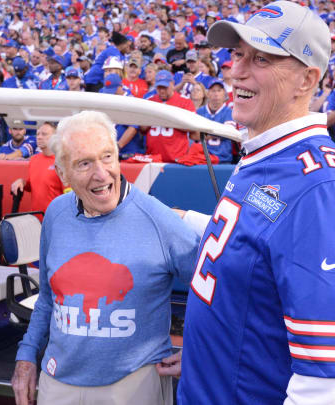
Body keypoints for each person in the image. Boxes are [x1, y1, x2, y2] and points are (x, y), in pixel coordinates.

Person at [171, 3, 335, 404]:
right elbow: (252, 248)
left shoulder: (324, 190)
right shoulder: (267, 151)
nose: (237, 71)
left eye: (262, 58)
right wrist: (210, 355)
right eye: (237, 55)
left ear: (307, 79)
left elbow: (324, 384)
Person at [11, 110, 199, 405]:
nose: (102, 174)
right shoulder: (57, 214)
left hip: (133, 384)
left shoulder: (159, 220)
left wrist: (199, 350)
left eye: (108, 157)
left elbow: (221, 292)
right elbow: (48, 298)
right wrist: (26, 354)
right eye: (84, 163)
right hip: (56, 382)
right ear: (63, 174)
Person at [10, 122, 65, 213]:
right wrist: (22, 182)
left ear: (55, 137)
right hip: (36, 219)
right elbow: (35, 184)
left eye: (44, 134)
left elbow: (70, 197)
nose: (39, 137)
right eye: (38, 134)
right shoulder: (34, 159)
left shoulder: (63, 161)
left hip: (56, 220)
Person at [145, 70, 196, 162]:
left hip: (176, 157)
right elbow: (142, 128)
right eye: (159, 88)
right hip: (153, 157)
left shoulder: (185, 101)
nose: (162, 91)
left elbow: (192, 127)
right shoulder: (149, 101)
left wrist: (168, 119)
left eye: (165, 87)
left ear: (172, 84)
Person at [196, 79, 237, 163]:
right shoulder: (199, 111)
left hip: (222, 159)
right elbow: (193, 135)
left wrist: (203, 133)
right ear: (207, 93)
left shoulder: (230, 112)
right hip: (200, 158)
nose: (216, 94)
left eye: (219, 90)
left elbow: (228, 132)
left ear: (224, 93)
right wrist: (218, 131)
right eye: (213, 90)